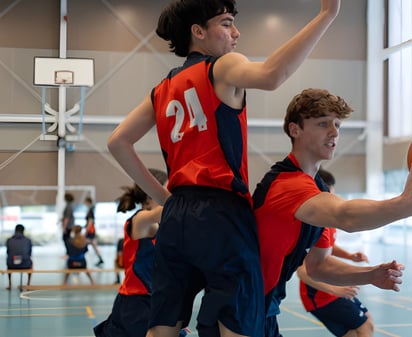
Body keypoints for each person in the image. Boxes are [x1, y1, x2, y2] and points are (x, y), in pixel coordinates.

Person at [106, 1, 341, 336]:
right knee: (237, 325)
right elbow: (274, 74)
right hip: (221, 213)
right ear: (198, 32)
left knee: (162, 328)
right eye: (227, 23)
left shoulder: (161, 89)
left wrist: (166, 199)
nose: (236, 33)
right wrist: (326, 15)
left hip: (177, 218)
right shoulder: (222, 66)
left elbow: (118, 142)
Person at [252, 88, 412, 337]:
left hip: (264, 307)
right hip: (240, 305)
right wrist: (408, 203)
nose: (334, 132)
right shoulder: (286, 184)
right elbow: (347, 217)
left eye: (337, 124)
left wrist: (371, 275)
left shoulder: (319, 189)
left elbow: (318, 267)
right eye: (323, 123)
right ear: (295, 130)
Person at [94, 169, 191, 337]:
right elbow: (161, 212)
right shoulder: (140, 220)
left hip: (159, 299)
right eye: (168, 188)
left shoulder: (163, 226)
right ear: (151, 191)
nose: (170, 193)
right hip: (136, 303)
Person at [296, 169, 374, 337]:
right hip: (320, 295)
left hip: (329, 290)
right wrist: (334, 290)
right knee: (365, 325)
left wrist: (349, 256)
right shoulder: (313, 225)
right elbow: (303, 272)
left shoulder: (327, 222)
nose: (333, 194)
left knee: (354, 332)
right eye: (330, 189)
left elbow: (328, 246)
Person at [5, 224, 33, 290]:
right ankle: (28, 284)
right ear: (23, 231)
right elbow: (30, 253)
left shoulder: (9, 240)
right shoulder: (28, 240)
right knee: (31, 262)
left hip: (11, 265)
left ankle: (9, 284)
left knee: (10, 259)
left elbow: (8, 252)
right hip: (25, 264)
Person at [84, 197, 104, 267]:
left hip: (90, 231)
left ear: (88, 202)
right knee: (93, 245)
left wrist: (86, 231)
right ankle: (100, 259)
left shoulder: (90, 211)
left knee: (85, 243)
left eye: (85, 202)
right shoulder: (90, 210)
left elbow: (90, 222)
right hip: (91, 230)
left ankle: (81, 258)